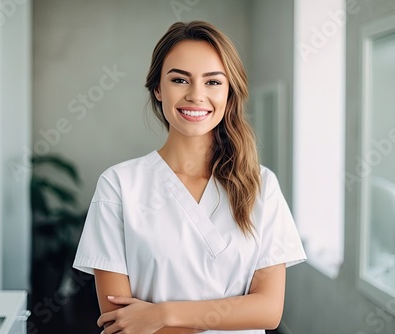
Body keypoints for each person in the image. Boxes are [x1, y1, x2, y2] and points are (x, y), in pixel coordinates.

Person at [73, 20, 306, 333]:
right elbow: (121, 323)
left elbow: (268, 310)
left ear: (229, 92)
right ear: (157, 88)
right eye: (180, 79)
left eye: (212, 82)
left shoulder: (261, 185)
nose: (196, 95)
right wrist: (228, 316)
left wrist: (163, 314)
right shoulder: (118, 186)